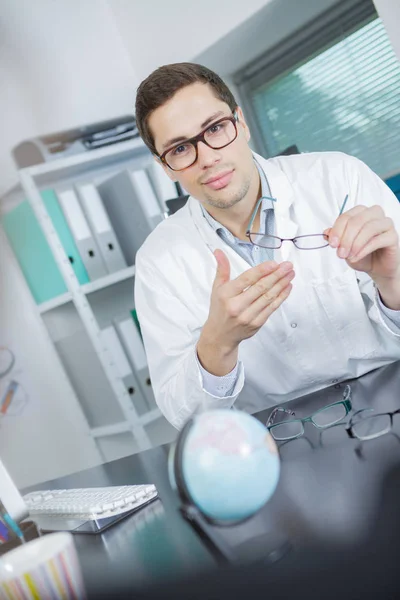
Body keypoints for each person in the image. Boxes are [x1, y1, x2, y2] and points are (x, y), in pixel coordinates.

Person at [134, 62, 400, 429]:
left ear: (240, 123)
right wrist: (217, 344)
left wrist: (393, 283)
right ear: (165, 167)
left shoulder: (340, 179)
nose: (208, 158)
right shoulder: (158, 262)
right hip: (277, 441)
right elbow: (185, 417)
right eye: (180, 149)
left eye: (215, 128)